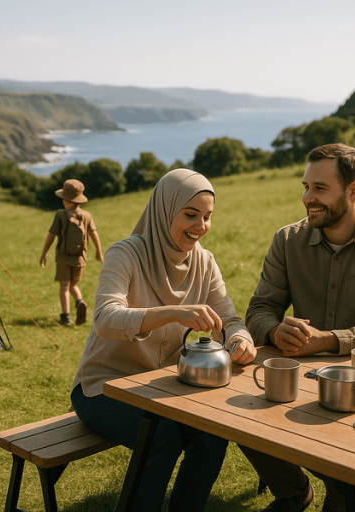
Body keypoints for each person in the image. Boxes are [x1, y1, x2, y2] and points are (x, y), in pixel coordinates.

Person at [240, 143, 355, 512]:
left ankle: (339, 491)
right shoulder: (287, 240)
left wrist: (330, 341)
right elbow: (260, 309)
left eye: (320, 189)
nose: (308, 198)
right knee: (233, 415)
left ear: (353, 190)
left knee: (339, 460)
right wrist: (275, 332)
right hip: (298, 376)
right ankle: (293, 491)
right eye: (306, 187)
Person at [70, 169, 256, 512]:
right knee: (161, 433)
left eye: (207, 217)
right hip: (102, 388)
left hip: (163, 388)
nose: (200, 226)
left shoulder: (205, 262)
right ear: (163, 210)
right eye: (190, 215)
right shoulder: (124, 253)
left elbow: (229, 319)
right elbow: (104, 318)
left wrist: (240, 337)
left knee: (213, 433)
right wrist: (173, 312)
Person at [39, 178, 103, 326]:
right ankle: (79, 301)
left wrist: (43, 254)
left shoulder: (60, 215)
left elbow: (51, 235)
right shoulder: (86, 216)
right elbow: (94, 234)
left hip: (63, 257)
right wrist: (99, 252)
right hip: (80, 258)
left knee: (64, 287)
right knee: (73, 285)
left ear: (65, 200)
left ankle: (66, 317)